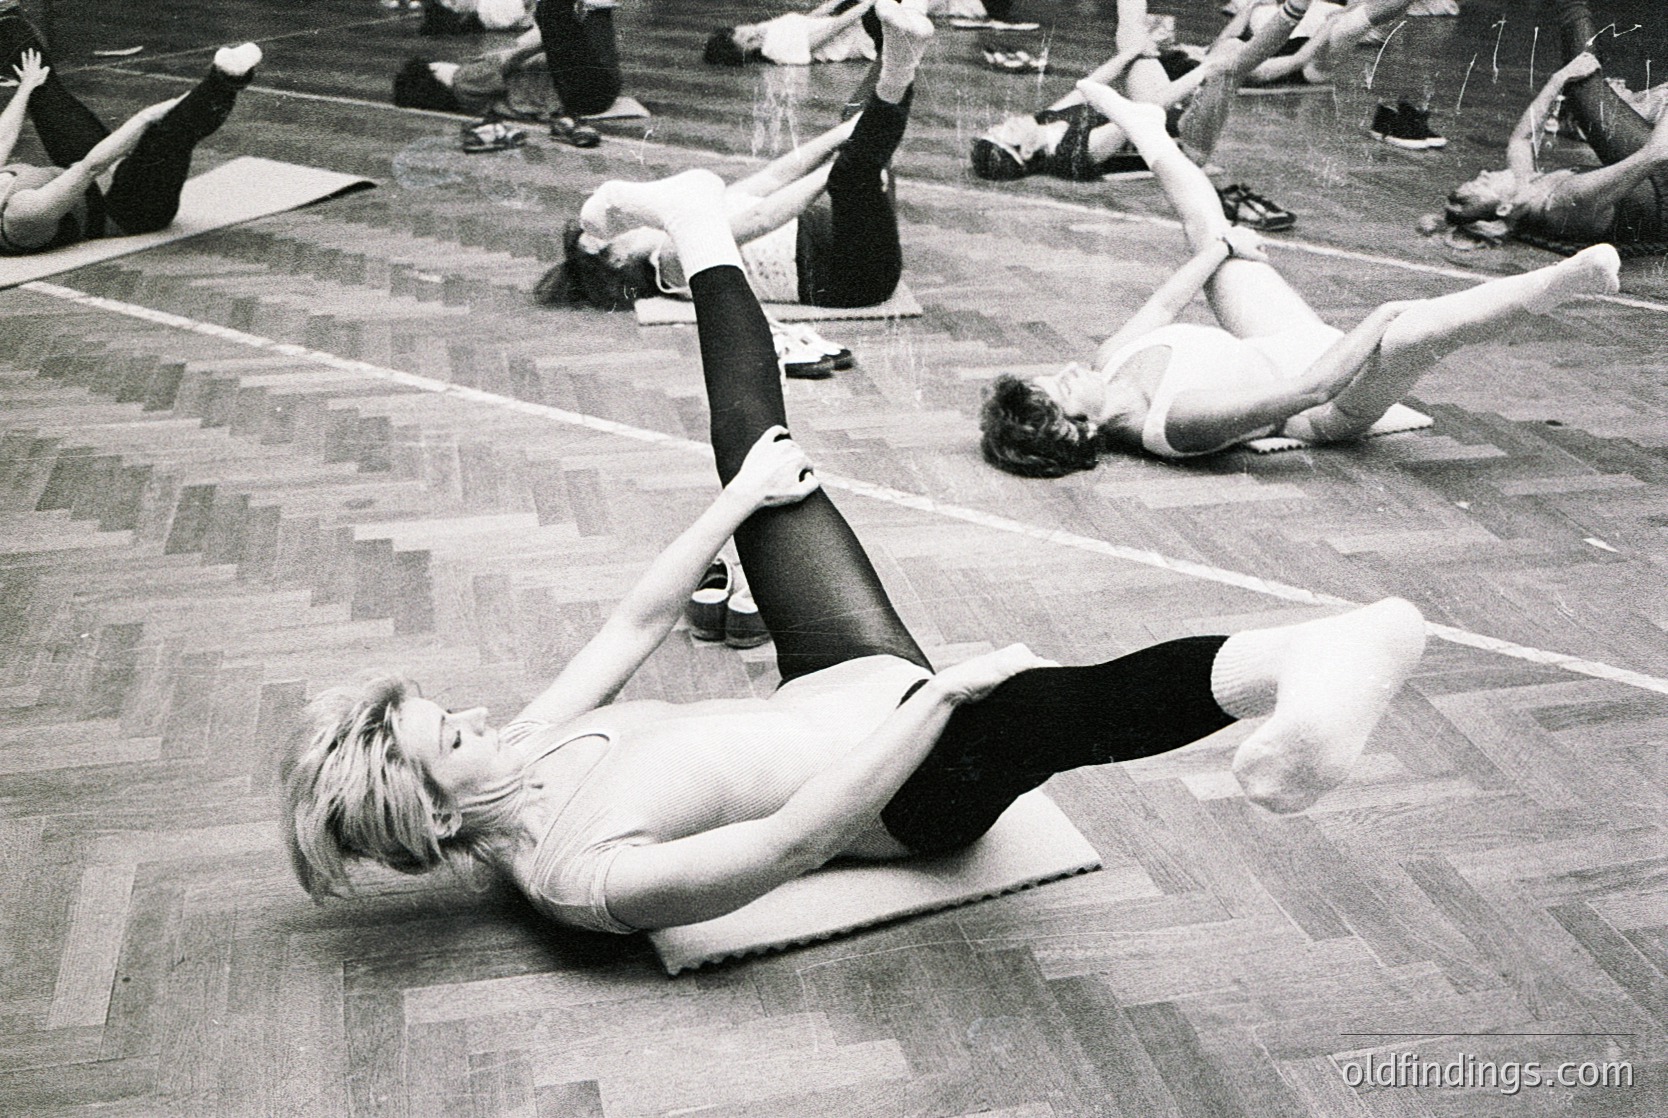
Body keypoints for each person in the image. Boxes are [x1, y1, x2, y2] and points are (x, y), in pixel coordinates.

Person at [281, 161, 1432, 935]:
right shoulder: (582, 874)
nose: (481, 715)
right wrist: (935, 706)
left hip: (840, 677)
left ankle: (697, 224)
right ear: (434, 816)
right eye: (453, 737)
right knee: (1030, 710)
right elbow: (794, 840)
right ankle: (1306, 660)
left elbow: (633, 623)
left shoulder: (526, 746)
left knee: (763, 452)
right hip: (908, 794)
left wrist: (738, 502)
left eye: (453, 708)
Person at [979, 81, 1621, 475]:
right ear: (1081, 430)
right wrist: (1379, 316)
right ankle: (1564, 281)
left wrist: (1224, 244)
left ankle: (1149, 135)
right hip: (1328, 407)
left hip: (1275, 344)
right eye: (1059, 391)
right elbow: (1309, 391)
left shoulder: (1110, 360)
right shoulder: (1173, 423)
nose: (1062, 370)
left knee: (1210, 240)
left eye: (1045, 374)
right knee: (1409, 333)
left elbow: (1171, 297)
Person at [538, 0, 934, 312]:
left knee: (855, 128)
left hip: (837, 244)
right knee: (852, 173)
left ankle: (897, 49)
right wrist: (835, 166)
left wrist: (842, 134)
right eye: (621, 229)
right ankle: (899, 66)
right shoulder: (673, 261)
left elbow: (772, 180)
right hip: (857, 277)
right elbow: (761, 219)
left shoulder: (683, 226)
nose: (632, 223)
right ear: (620, 256)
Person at [970, 0, 1302, 231]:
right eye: (1004, 134)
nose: (1005, 123)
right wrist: (1202, 73)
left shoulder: (1043, 123)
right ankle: (1295, 11)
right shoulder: (1077, 151)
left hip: (1159, 112)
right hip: (1181, 145)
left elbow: (1088, 86)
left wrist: (1137, 48)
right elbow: (1145, 114)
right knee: (1228, 63)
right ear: (1026, 153)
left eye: (996, 127)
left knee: (1131, 33)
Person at [0, 12, 258, 254]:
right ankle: (226, 78)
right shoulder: (22, 216)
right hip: (130, 210)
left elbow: (3, 138)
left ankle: (6, 13)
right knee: (164, 134)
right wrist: (145, 118)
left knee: (39, 83)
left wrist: (26, 88)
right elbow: (90, 167)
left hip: (88, 177)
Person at [1439, 0, 1668, 254]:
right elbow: (1657, 154)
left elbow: (1521, 139)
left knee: (1582, 90)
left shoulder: (1527, 192)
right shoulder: (1564, 201)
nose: (1482, 173)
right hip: (1662, 183)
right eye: (1482, 184)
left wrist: (1559, 78)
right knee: (1587, 94)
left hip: (1654, 177)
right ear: (1504, 208)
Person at [703, 0, 879, 68]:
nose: (745, 29)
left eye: (738, 30)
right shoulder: (778, 50)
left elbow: (808, 19)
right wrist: (869, 3)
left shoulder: (764, 29)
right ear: (747, 47)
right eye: (742, 37)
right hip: (865, 37)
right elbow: (833, 29)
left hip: (854, 22)